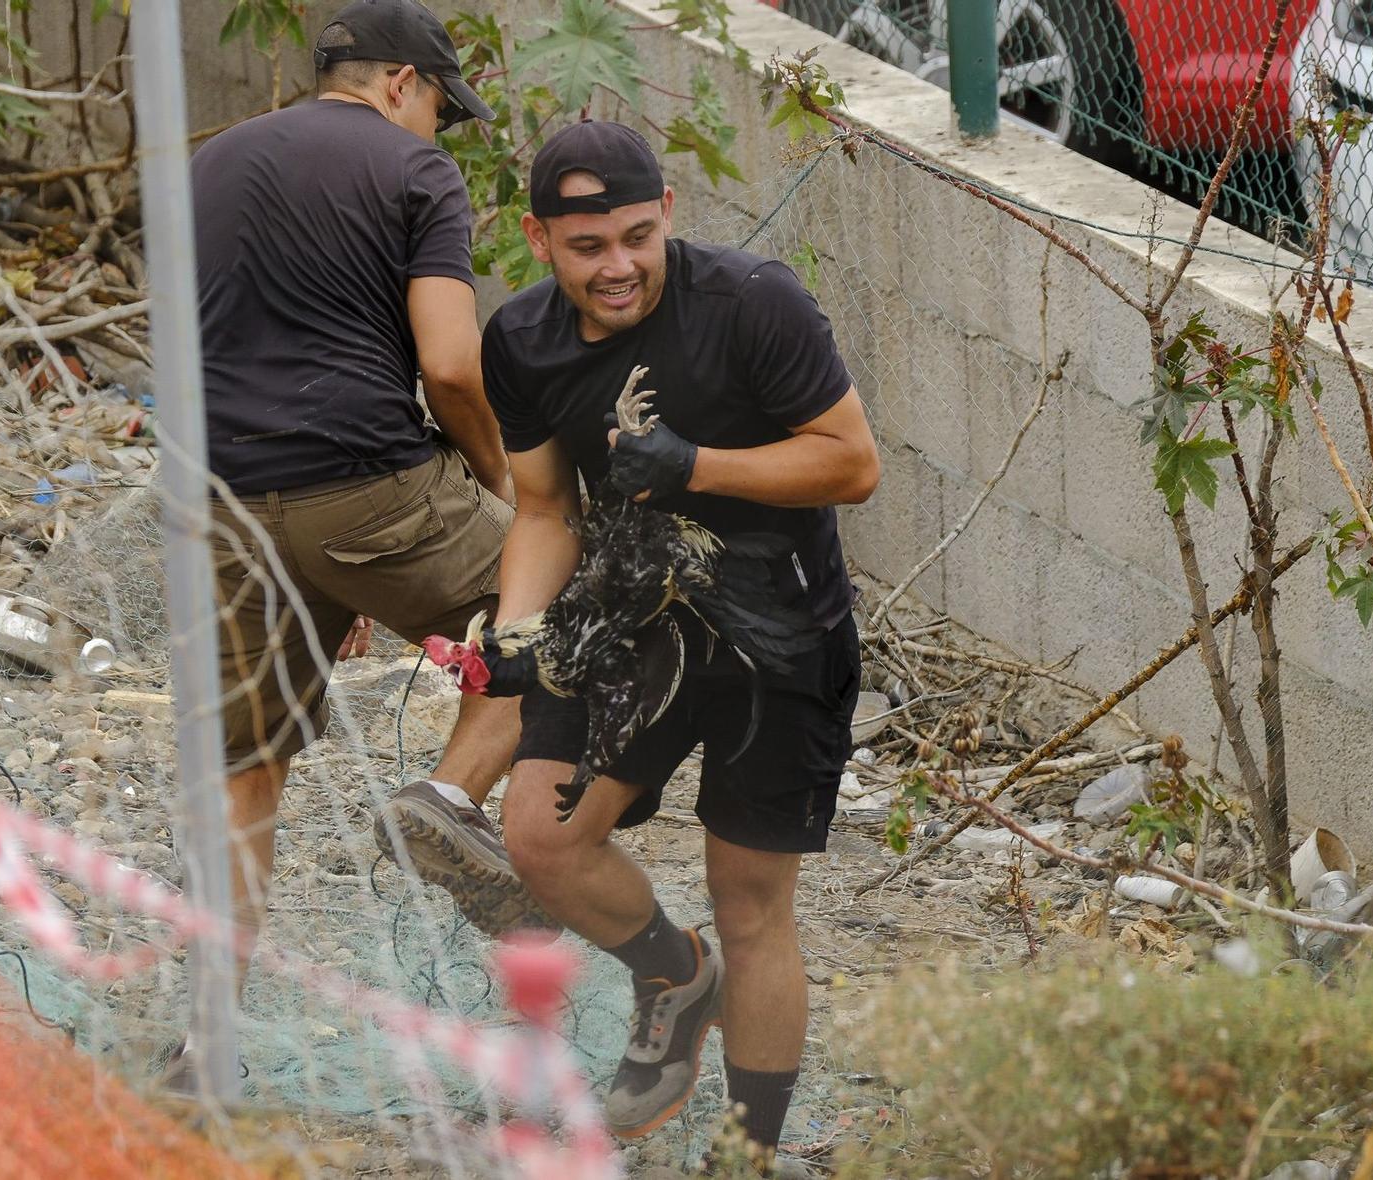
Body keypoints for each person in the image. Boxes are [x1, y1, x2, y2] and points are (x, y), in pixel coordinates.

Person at [472, 120, 880, 1169]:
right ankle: (669, 972)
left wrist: (695, 462)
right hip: (625, 619)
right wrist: (515, 628)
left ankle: (746, 1152)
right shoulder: (518, 340)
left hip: (776, 639)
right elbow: (542, 509)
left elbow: (849, 463)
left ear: (666, 219)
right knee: (539, 835)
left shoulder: (753, 304)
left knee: (750, 906)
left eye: (635, 238)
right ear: (536, 239)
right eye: (587, 247)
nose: (617, 267)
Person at [188, 0, 549, 998]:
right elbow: (449, 365)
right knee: (573, 610)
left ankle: (207, 1030)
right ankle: (443, 798)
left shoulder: (208, 165)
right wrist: (498, 484)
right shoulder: (412, 169)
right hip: (370, 487)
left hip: (221, 499)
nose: (440, 130)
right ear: (401, 84)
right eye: (440, 105)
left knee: (245, 763)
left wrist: (312, 574)